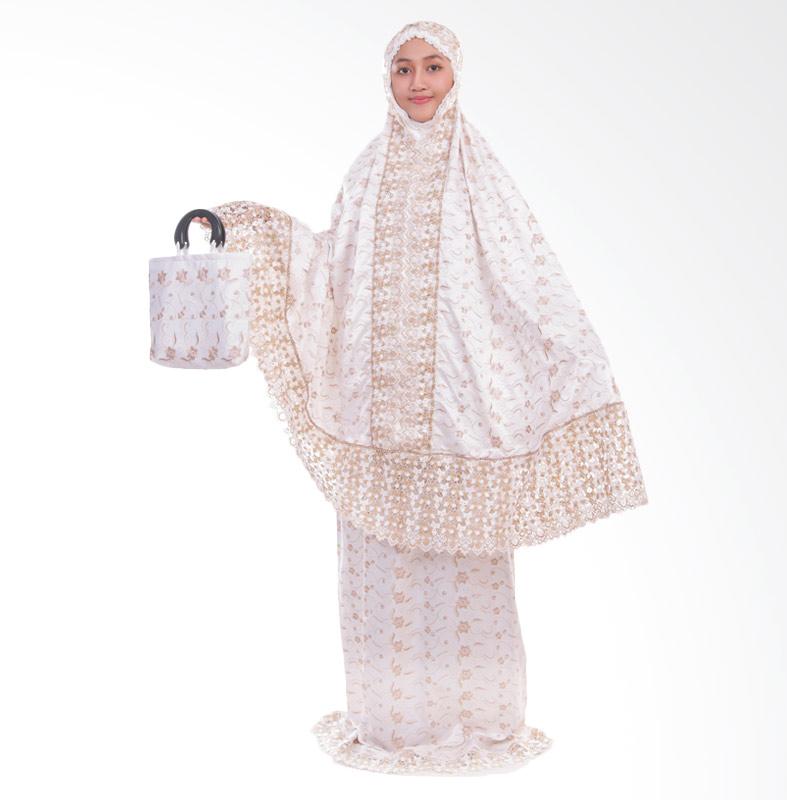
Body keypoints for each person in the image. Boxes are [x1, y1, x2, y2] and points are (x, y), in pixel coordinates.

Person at [195, 20, 648, 775]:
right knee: (383, 568)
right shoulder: (367, 171)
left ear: (455, 74)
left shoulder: (482, 177)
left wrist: (569, 357)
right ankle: (394, 724)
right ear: (387, 79)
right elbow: (328, 270)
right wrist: (251, 229)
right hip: (372, 415)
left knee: (467, 560)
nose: (417, 83)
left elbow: (525, 279)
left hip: (459, 419)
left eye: (432, 66)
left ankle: (481, 717)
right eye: (403, 68)